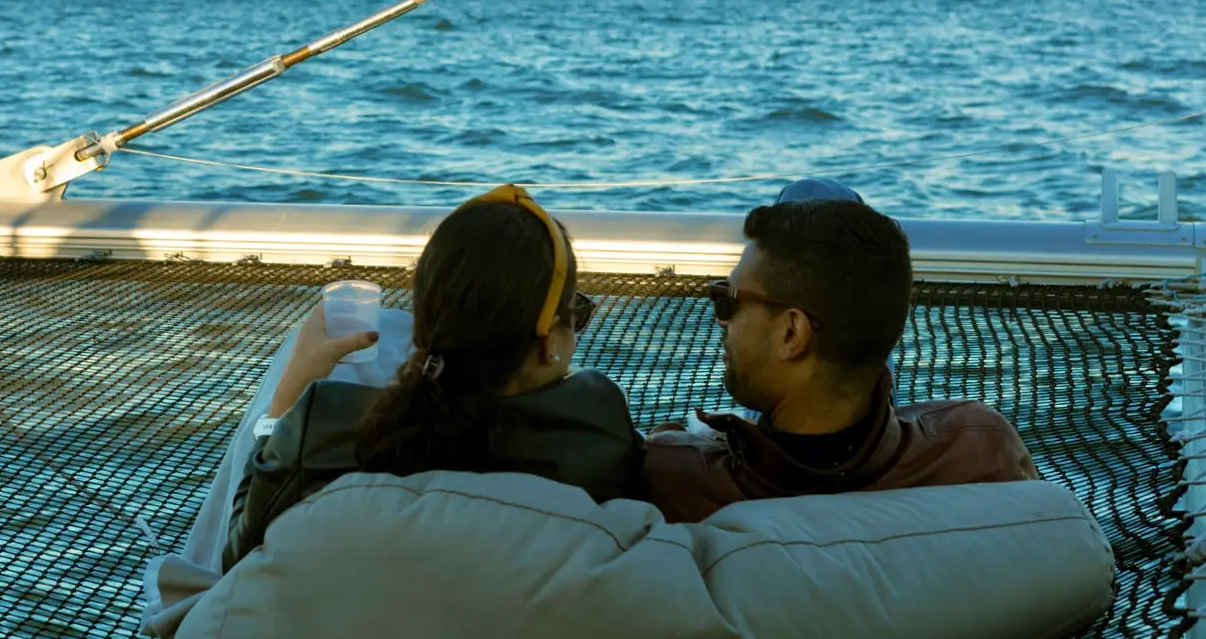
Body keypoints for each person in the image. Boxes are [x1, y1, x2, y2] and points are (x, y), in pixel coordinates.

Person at [222, 185, 642, 570]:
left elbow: (237, 558)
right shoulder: (600, 429)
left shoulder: (324, 426)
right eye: (578, 312)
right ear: (549, 339)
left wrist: (284, 405)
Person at [643, 191, 1038, 524]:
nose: (720, 321)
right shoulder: (980, 446)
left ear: (791, 333)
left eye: (727, 300)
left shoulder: (678, 479)